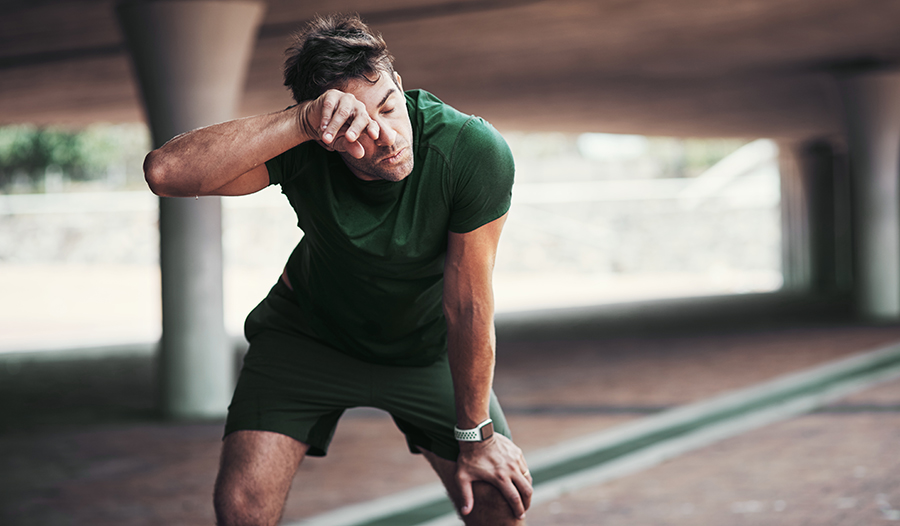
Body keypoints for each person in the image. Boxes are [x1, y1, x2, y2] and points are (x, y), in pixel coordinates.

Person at [143, 13, 532, 526]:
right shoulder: (305, 145)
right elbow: (165, 173)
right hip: (308, 336)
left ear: (398, 83)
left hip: (425, 349)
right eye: (359, 130)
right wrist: (300, 122)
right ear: (325, 134)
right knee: (241, 507)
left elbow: (467, 304)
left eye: (391, 109)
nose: (388, 138)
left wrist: (475, 437)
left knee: (498, 503)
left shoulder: (471, 151)